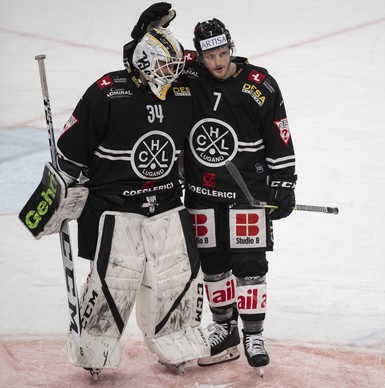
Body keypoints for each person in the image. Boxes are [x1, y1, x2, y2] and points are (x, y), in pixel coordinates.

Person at [129, 4, 297, 373]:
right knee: (214, 266)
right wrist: (144, 31)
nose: (217, 62)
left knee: (251, 265)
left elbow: (279, 136)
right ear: (198, 54)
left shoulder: (260, 85)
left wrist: (284, 184)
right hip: (202, 193)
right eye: (209, 55)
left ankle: (254, 333)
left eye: (222, 53)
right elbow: (145, 62)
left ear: (230, 48)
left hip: (248, 195)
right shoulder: (188, 72)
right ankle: (224, 329)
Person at [48, 26, 209, 378]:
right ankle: (95, 347)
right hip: (114, 207)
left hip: (167, 203)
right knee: (113, 283)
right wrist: (63, 191)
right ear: (145, 63)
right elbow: (69, 156)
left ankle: (175, 339)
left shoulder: (182, 91)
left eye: (175, 65)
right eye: (166, 66)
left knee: (177, 278)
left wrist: (146, 32)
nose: (174, 73)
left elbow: (208, 63)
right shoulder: (108, 92)